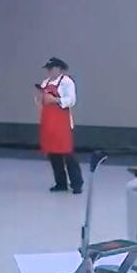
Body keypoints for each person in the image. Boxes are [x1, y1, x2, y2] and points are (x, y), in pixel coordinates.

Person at [37, 57, 83, 195]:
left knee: (67, 153)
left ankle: (76, 183)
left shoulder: (66, 82)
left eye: (51, 69)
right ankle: (60, 183)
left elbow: (72, 100)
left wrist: (56, 100)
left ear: (58, 69)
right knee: (53, 154)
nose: (49, 72)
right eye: (48, 69)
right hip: (48, 122)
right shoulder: (45, 83)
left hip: (61, 123)